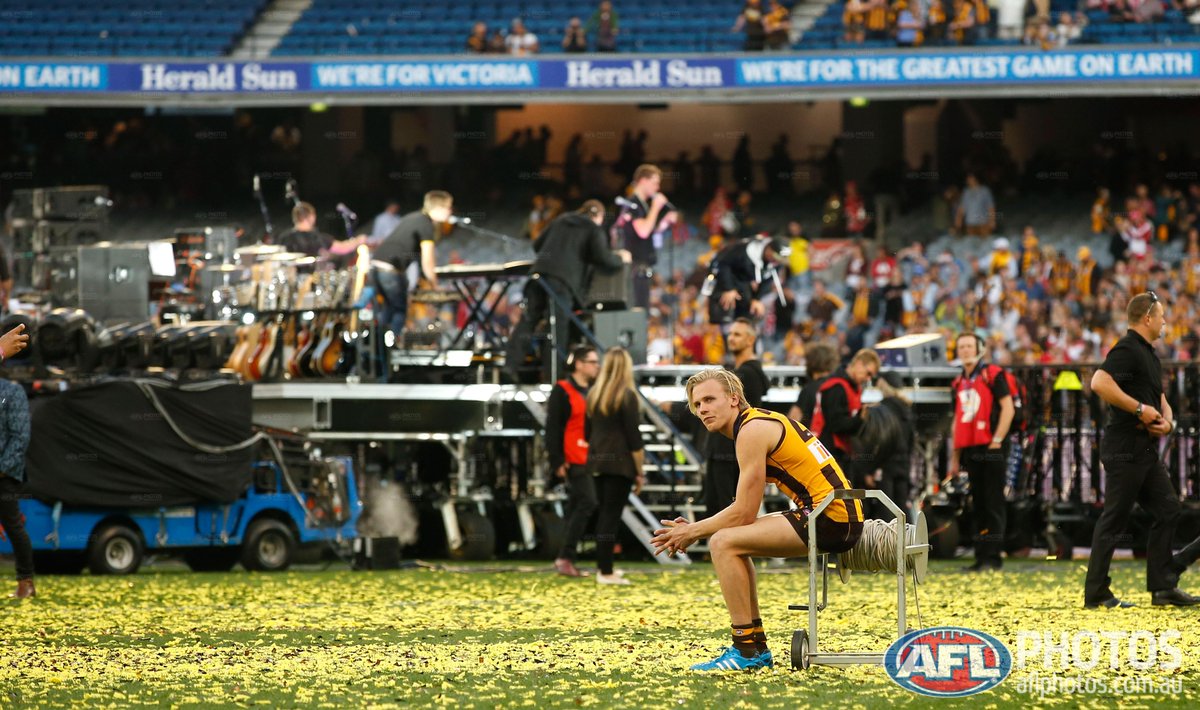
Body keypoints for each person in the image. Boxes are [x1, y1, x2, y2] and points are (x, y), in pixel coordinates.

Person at [651, 369, 863, 671]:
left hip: (831, 516)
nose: (703, 410)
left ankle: (746, 650)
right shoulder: (757, 423)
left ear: (734, 399)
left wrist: (693, 531)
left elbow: (743, 512)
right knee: (733, 541)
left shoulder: (751, 431)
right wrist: (694, 529)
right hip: (833, 512)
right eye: (697, 405)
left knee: (723, 542)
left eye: (710, 399)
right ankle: (754, 648)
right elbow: (744, 514)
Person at [1085, 292, 1198, 607]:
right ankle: (1096, 593)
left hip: (1142, 448)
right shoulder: (1128, 348)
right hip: (1125, 446)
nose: (1164, 321)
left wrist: (1168, 423)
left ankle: (1162, 587)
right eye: (1161, 315)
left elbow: (1161, 401)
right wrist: (1138, 410)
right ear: (1147, 317)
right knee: (1115, 518)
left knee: (1168, 509)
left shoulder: (1148, 353)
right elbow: (1099, 382)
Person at [506, 200, 631, 380]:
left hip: (539, 275)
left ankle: (510, 367)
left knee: (528, 320)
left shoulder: (561, 220)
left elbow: (537, 245)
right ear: (599, 217)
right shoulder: (593, 228)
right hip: (562, 283)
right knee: (557, 328)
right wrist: (621, 258)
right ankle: (553, 377)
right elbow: (603, 257)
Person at [947, 332, 1014, 572]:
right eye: (961, 346)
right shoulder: (958, 381)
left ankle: (993, 558)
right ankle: (981, 557)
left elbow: (1008, 408)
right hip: (971, 448)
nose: (964, 350)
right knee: (979, 503)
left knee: (993, 503)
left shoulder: (992, 374)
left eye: (969, 346)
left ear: (980, 348)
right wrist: (954, 458)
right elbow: (957, 419)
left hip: (991, 446)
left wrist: (997, 439)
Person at [585, 347, 645, 585]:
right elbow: (634, 439)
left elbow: (587, 432)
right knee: (611, 516)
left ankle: (604, 567)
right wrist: (640, 470)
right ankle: (606, 571)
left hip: (597, 461)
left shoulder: (594, 395)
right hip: (620, 464)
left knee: (605, 515)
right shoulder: (627, 396)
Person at [705, 319, 770, 515]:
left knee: (725, 518)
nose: (731, 338)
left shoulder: (747, 374)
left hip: (729, 455)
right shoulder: (741, 372)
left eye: (737, 334)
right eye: (730, 334)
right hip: (728, 453)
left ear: (751, 340)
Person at [548, 346, 602, 578]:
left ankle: (565, 557)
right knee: (588, 502)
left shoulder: (591, 390)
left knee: (576, 506)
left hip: (588, 457)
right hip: (573, 458)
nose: (596, 366)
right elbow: (553, 428)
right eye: (592, 362)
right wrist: (557, 460)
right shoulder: (562, 390)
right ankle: (566, 557)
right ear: (578, 364)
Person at [372, 190, 449, 339]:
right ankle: (391, 349)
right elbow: (428, 259)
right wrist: (435, 285)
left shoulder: (413, 217)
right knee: (400, 310)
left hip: (376, 264)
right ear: (439, 208)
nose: (450, 212)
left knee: (389, 309)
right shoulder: (426, 224)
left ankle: (378, 348)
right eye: (448, 207)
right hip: (390, 268)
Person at [611, 164, 677, 310]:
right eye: (655, 183)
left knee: (643, 311)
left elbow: (648, 234)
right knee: (639, 311)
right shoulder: (633, 204)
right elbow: (643, 231)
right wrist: (656, 206)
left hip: (642, 267)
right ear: (643, 181)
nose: (657, 188)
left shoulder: (642, 205)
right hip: (635, 269)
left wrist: (664, 223)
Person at [809, 348, 881, 476]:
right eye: (868, 373)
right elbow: (836, 424)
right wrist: (860, 418)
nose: (868, 379)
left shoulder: (851, 387)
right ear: (858, 363)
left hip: (840, 451)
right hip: (827, 450)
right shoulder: (836, 386)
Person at [0, 323, 32, 599]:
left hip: (3, 475)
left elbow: (19, 438)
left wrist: (2, 469)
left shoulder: (12, 392)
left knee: (13, 524)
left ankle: (26, 580)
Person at [704, 234, 790, 329]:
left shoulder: (776, 263)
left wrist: (757, 299)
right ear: (769, 249)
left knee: (750, 313)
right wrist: (729, 288)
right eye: (775, 257)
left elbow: (768, 278)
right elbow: (724, 264)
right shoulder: (745, 250)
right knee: (725, 306)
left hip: (743, 281)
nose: (776, 261)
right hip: (722, 275)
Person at [276, 202, 362, 258]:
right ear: (311, 217)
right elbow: (343, 248)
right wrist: (359, 240)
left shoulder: (283, 237)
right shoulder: (317, 238)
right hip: (310, 281)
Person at [789, 341, 838, 426]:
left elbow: (792, 422)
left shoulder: (809, 390)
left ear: (811, 362)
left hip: (813, 437)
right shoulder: (838, 386)